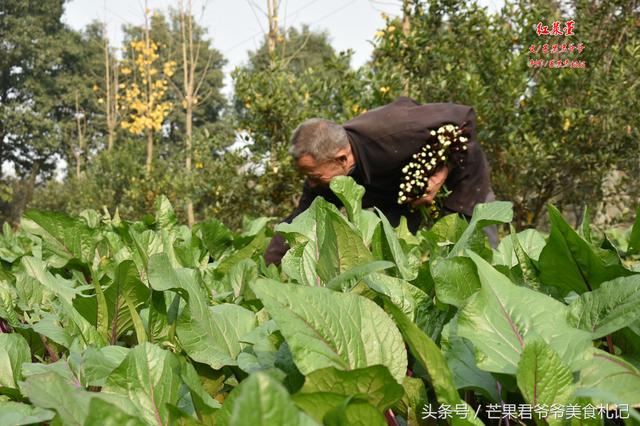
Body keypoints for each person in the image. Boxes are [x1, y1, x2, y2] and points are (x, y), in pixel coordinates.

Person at [264, 96, 497, 266]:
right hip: (399, 199)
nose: (311, 184)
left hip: (460, 181)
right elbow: (300, 219)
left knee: (475, 249)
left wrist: (442, 173)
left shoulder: (395, 132)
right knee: (386, 255)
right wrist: (267, 268)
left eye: (314, 176)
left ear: (342, 159)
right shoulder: (321, 175)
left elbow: (464, 118)